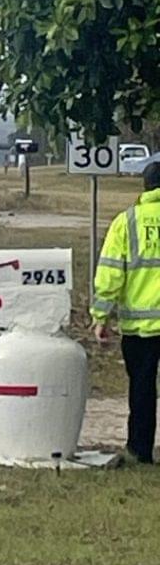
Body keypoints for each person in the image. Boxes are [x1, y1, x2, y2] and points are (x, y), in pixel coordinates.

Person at [92, 160, 160, 463]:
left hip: (141, 328)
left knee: (142, 390)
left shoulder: (127, 222)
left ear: (144, 187)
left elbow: (110, 274)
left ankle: (140, 450)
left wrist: (100, 316)